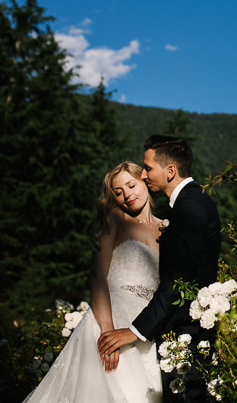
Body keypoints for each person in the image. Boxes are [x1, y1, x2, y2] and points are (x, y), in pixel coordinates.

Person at [24, 161, 163, 402]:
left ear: (144, 181)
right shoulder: (114, 220)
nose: (126, 195)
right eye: (118, 192)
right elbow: (98, 277)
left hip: (145, 325)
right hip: (111, 318)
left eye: (131, 185)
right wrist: (107, 333)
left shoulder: (165, 228)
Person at [98, 135, 221, 402]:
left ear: (171, 171)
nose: (143, 174)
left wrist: (133, 331)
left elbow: (179, 279)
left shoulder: (189, 208)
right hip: (168, 328)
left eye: (148, 168)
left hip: (186, 331)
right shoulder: (186, 205)